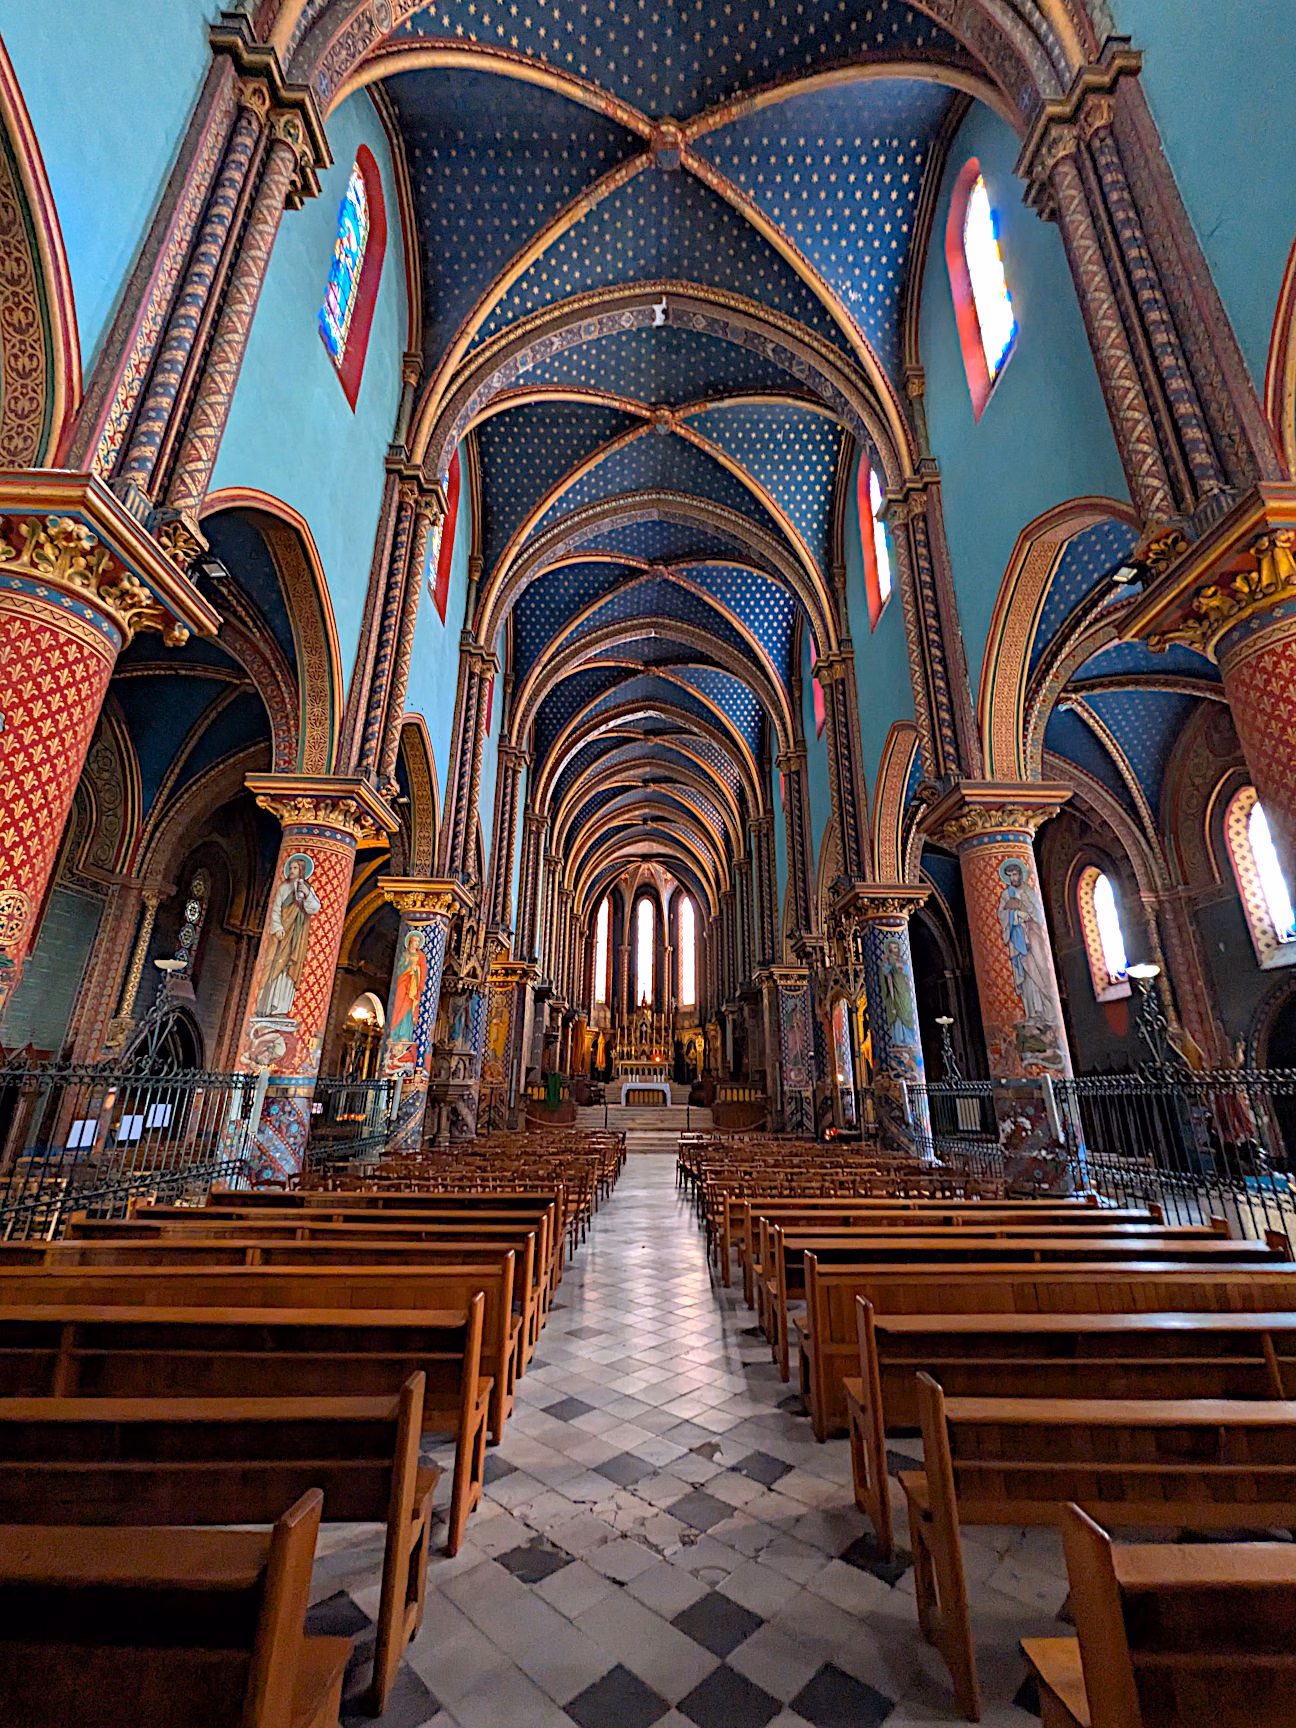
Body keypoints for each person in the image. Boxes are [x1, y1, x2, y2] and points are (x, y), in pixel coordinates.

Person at [254, 854, 320, 1019]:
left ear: (302, 871)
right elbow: (276, 909)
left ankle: (281, 1008)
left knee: (289, 967)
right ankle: (266, 1004)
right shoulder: (283, 888)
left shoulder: (306, 887)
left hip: (296, 934)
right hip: (282, 931)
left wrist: (307, 894)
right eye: (290, 868)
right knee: (273, 964)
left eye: (295, 868)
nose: (292, 871)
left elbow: (314, 908)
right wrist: (277, 927)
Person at [997, 859, 1054, 1024]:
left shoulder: (1029, 891)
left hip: (1034, 935)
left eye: (1015, 874)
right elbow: (1003, 914)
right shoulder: (1007, 895)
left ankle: (1047, 1010)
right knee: (1026, 972)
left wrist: (1029, 915)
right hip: (1018, 937)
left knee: (1041, 969)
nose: (1013, 878)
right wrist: (1016, 916)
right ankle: (1032, 1013)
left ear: (1021, 874)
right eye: (1010, 876)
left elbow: (1039, 914)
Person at [388, 929, 426, 1044]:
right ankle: (394, 1033)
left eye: (418, 942)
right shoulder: (405, 954)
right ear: (410, 942)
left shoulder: (421, 957)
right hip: (403, 984)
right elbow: (399, 970)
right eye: (415, 941)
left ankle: (405, 1034)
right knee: (398, 1007)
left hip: (413, 987)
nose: (416, 944)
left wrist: (416, 970)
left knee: (408, 1009)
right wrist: (409, 965)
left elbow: (423, 972)